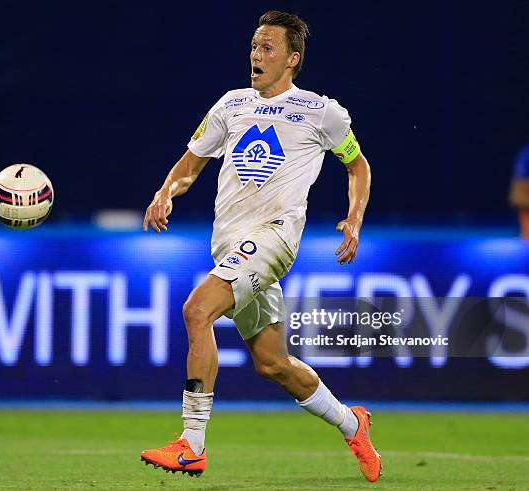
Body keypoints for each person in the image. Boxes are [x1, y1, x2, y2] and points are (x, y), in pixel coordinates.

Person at [140, 10, 381, 482]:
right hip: (230, 243)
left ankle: (191, 443)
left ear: (292, 59)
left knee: (197, 310)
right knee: (273, 364)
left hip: (274, 237)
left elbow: (357, 166)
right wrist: (165, 191)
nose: (256, 53)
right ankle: (354, 423)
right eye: (253, 45)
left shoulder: (320, 111)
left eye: (268, 47)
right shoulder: (230, 105)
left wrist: (354, 219)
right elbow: (191, 164)